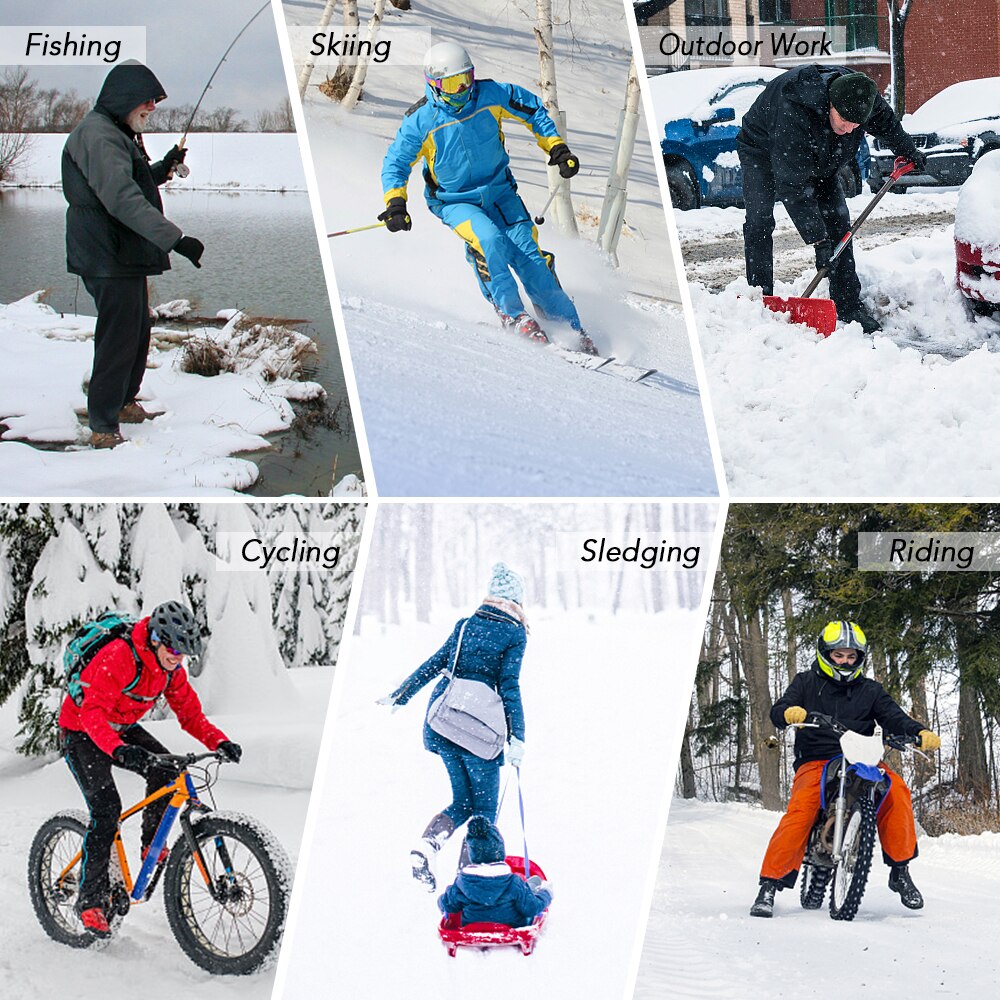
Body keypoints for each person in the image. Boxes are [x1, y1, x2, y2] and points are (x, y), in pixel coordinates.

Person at [379, 40, 596, 355]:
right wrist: (395, 203)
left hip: (501, 193)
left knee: (530, 259)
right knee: (489, 240)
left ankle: (569, 327)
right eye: (453, 84)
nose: (463, 89)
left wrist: (556, 147)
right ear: (434, 85)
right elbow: (396, 164)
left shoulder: (490, 94)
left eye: (466, 78)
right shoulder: (421, 121)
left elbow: (533, 109)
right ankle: (513, 315)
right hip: (455, 201)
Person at [59, 601, 241, 936]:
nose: (177, 657)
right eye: (172, 648)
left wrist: (218, 741)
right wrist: (120, 751)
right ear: (156, 638)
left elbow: (190, 715)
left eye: (183, 652)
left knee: (167, 769)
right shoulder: (119, 656)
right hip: (83, 731)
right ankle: (88, 901)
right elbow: (92, 712)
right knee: (106, 809)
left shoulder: (170, 669)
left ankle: (150, 846)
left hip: (120, 727)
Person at [750, 620, 941, 918]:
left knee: (897, 791)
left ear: (860, 658)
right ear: (825, 654)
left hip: (862, 758)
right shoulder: (806, 682)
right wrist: (789, 712)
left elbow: (894, 717)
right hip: (817, 759)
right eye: (839, 655)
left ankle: (900, 870)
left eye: (851, 656)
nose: (845, 661)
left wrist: (919, 732)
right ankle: (769, 885)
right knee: (801, 810)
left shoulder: (871, 690)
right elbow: (779, 709)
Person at [62, 60, 205, 449]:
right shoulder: (98, 135)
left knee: (137, 328)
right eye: (147, 100)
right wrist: (176, 239)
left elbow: (130, 182)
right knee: (118, 336)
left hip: (119, 252)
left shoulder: (114, 132)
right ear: (124, 98)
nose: (152, 108)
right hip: (105, 252)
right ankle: (103, 424)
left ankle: (123, 401)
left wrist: (163, 167)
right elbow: (122, 200)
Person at [737, 66, 925, 333]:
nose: (849, 130)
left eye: (856, 126)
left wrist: (909, 150)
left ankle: (848, 305)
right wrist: (818, 240)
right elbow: (793, 186)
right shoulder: (795, 107)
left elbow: (888, 125)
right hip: (762, 148)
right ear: (830, 105)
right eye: (844, 121)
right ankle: (760, 297)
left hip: (820, 155)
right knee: (760, 220)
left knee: (839, 222)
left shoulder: (862, 97)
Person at [378, 562, 528, 892]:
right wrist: (518, 737)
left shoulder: (465, 626)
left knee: (462, 802)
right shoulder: (514, 633)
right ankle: (468, 882)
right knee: (484, 812)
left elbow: (434, 664)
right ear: (516, 601)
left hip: (444, 724)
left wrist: (402, 694)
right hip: (480, 733)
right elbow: (509, 686)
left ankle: (426, 847)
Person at [438, 814, 552, 927]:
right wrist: (546, 893)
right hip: (512, 927)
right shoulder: (513, 882)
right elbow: (531, 908)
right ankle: (531, 890)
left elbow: (447, 905)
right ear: (500, 851)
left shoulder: (462, 883)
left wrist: (444, 897)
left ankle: (528, 889)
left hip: (473, 926)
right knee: (523, 898)